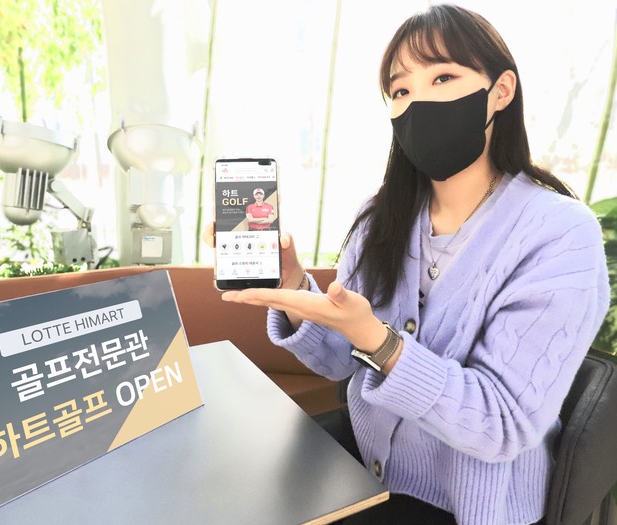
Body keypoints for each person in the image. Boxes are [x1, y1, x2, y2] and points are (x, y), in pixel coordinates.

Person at [221, 4, 610, 525]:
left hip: (467, 503)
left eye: (443, 77)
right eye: (400, 90)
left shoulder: (559, 233)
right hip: (365, 465)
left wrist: (379, 342)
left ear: (501, 90)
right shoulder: (381, 216)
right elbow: (338, 362)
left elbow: (501, 424)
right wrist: (292, 282)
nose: (417, 101)